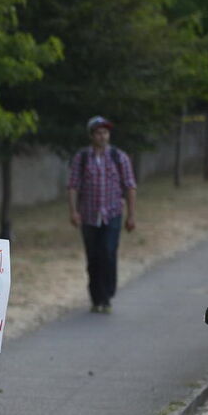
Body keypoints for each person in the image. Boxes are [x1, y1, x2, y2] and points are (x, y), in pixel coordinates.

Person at [68, 116, 137, 314]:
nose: (102, 136)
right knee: (93, 257)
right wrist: (73, 211)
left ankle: (107, 296)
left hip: (113, 214)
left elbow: (130, 186)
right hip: (89, 216)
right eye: (98, 132)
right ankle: (95, 297)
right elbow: (73, 186)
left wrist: (131, 215)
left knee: (108, 252)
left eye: (105, 132)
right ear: (91, 135)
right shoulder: (82, 158)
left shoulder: (119, 157)